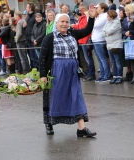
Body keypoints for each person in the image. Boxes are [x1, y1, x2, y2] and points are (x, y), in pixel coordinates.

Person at [39, 4, 97, 137]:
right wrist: (43, 75)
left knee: (76, 96)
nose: (65, 24)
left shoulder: (73, 33)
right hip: (56, 71)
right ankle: (49, 123)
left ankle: (81, 129)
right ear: (57, 23)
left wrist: (92, 18)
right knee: (54, 98)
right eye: (62, 22)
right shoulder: (50, 38)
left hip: (72, 71)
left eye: (67, 22)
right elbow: (42, 57)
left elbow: (87, 30)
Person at [72, 3, 96, 81]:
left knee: (88, 58)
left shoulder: (86, 17)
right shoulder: (82, 17)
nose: (79, 11)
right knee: (85, 59)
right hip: (81, 40)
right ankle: (88, 73)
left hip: (85, 40)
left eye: (80, 10)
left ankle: (91, 74)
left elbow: (84, 28)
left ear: (84, 9)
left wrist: (74, 26)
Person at [102, 10, 124, 84]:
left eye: (108, 16)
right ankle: (115, 76)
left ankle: (119, 76)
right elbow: (103, 32)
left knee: (118, 61)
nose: (107, 17)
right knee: (113, 62)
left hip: (116, 44)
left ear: (112, 16)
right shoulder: (107, 22)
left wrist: (107, 33)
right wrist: (107, 33)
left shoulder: (117, 22)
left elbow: (109, 31)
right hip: (109, 45)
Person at [91, 3, 110, 82]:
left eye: (97, 8)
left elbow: (94, 25)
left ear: (102, 9)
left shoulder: (104, 16)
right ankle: (102, 75)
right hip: (95, 40)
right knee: (99, 59)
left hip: (100, 40)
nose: (96, 9)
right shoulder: (99, 16)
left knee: (102, 59)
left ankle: (106, 75)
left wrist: (91, 16)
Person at [122, 4, 134, 84]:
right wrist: (125, 33)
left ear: (130, 10)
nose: (125, 12)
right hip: (128, 42)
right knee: (131, 61)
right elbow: (122, 31)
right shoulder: (125, 20)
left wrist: (131, 31)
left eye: (126, 10)